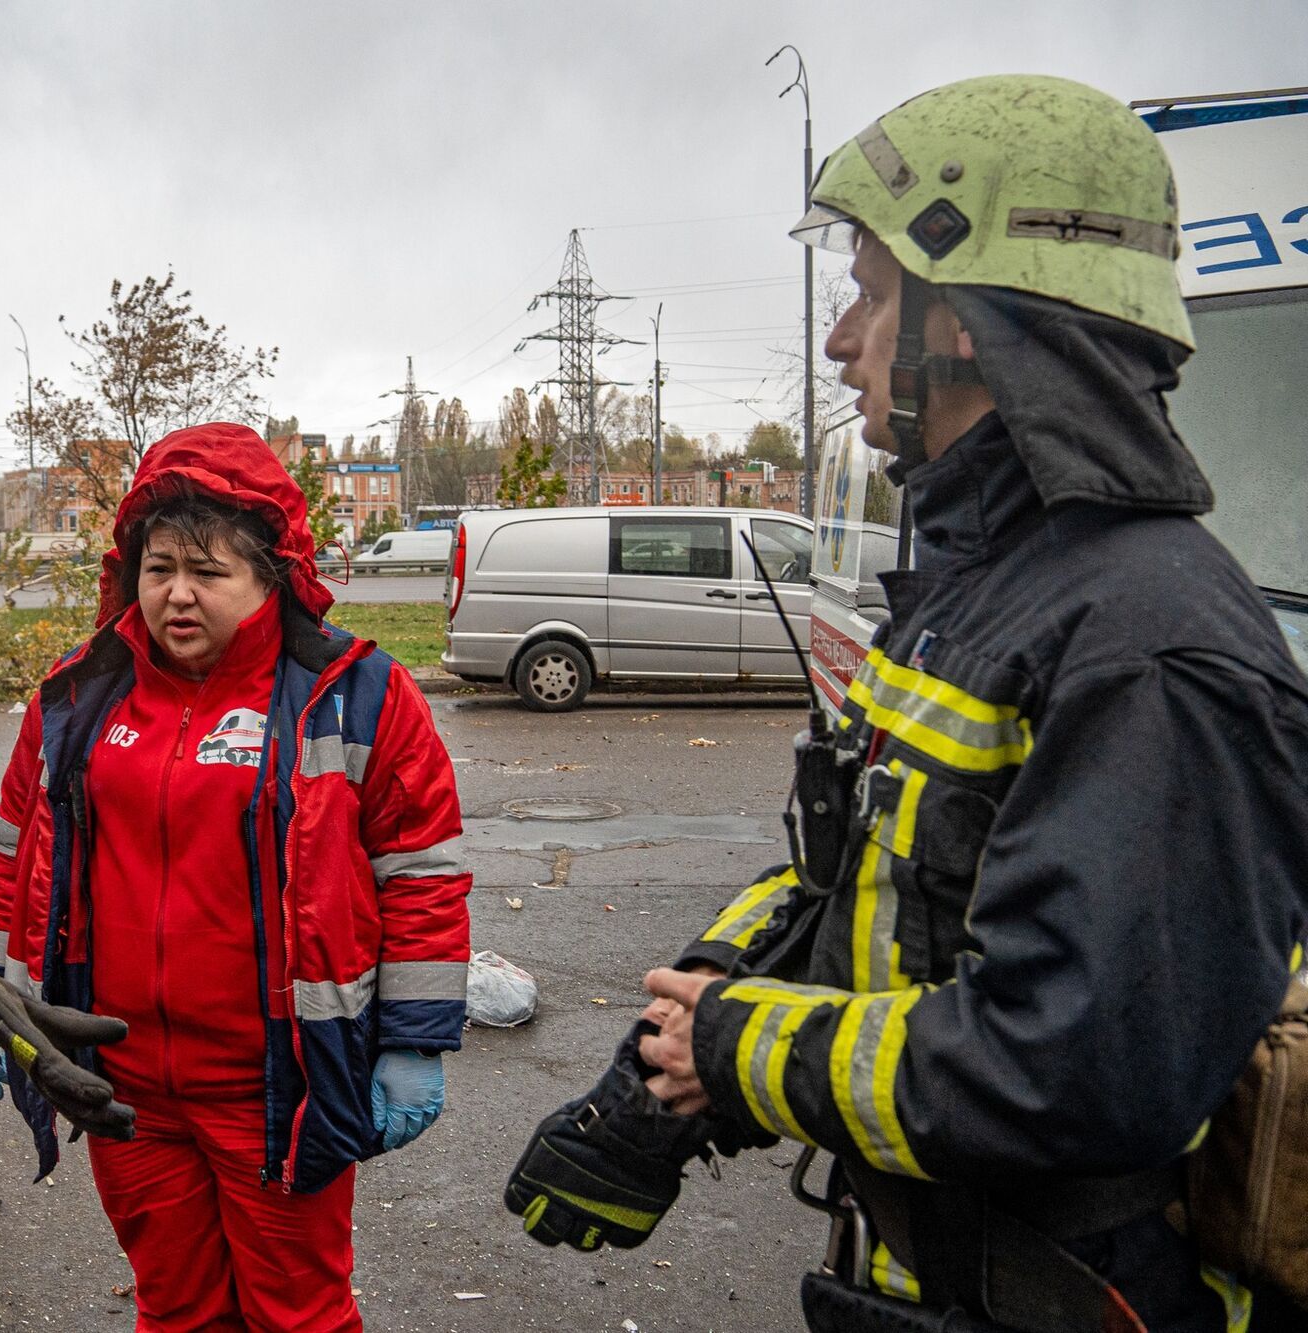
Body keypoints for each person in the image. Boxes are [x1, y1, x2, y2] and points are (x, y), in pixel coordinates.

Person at [531, 76, 1308, 1332]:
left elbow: (1071, 1068)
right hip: (927, 1278)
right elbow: (853, 883)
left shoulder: (1147, 645)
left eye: (871, 291)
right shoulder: (979, 592)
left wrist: (739, 1047)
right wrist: (674, 1058)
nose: (839, 338)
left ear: (976, 318)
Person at [0, 422, 472, 1332]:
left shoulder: (355, 693)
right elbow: (17, 849)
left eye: (209, 571)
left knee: (299, 1312)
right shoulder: (79, 692)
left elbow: (420, 873)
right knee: (176, 1306)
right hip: (121, 1088)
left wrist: (415, 1038)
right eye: (160, 569)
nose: (179, 595)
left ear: (270, 575)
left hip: (275, 1087)